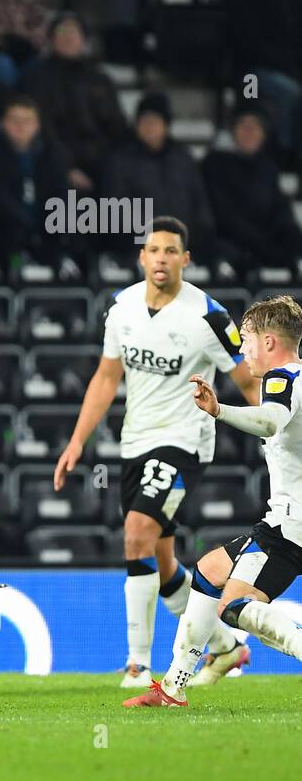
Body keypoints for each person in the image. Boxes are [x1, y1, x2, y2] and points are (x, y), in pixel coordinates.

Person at [54, 218, 259, 689]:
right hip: (135, 442)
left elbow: (246, 380)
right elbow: (107, 378)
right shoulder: (121, 307)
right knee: (162, 560)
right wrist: (77, 441)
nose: (162, 258)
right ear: (142, 258)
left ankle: (138, 665)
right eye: (154, 250)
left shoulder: (209, 316)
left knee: (136, 534)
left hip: (184, 442)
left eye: (171, 251)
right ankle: (227, 648)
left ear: (186, 259)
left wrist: (278, 432)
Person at [126, 296, 302, 707]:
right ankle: (173, 687)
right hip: (289, 520)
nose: (243, 350)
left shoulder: (282, 379)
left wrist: (218, 410)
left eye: (249, 340)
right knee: (208, 571)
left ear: (271, 342)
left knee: (235, 606)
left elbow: (268, 421)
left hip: (290, 525)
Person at [21, 12, 130, 191]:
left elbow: (116, 123)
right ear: (52, 38)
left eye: (74, 31)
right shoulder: (38, 78)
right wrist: (68, 168)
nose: (69, 37)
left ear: (84, 39)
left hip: (102, 162)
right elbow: (44, 130)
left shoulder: (99, 78)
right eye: (62, 31)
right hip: (57, 161)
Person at [101, 93, 216, 245]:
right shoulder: (120, 161)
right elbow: (115, 211)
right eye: (144, 121)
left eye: (154, 121)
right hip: (139, 246)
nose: (149, 127)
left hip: (183, 244)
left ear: (166, 125)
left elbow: (200, 205)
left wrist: (196, 235)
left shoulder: (183, 159)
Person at [0, 95, 71, 268]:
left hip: (44, 231)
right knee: (12, 243)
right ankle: (15, 272)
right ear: (3, 123)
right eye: (14, 120)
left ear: (37, 125)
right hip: (5, 234)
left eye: (27, 121)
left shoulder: (51, 155)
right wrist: (27, 224)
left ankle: (64, 269)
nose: (20, 127)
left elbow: (61, 193)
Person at [229, 0, 302, 154]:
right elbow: (246, 38)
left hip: (290, 69)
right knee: (291, 93)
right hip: (252, 72)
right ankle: (285, 153)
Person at [202, 106, 302, 271]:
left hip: (265, 245)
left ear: (263, 134)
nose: (249, 132)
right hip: (232, 244)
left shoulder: (269, 169)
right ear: (233, 131)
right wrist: (261, 244)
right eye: (243, 125)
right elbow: (223, 216)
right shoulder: (215, 165)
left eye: (255, 127)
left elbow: (282, 212)